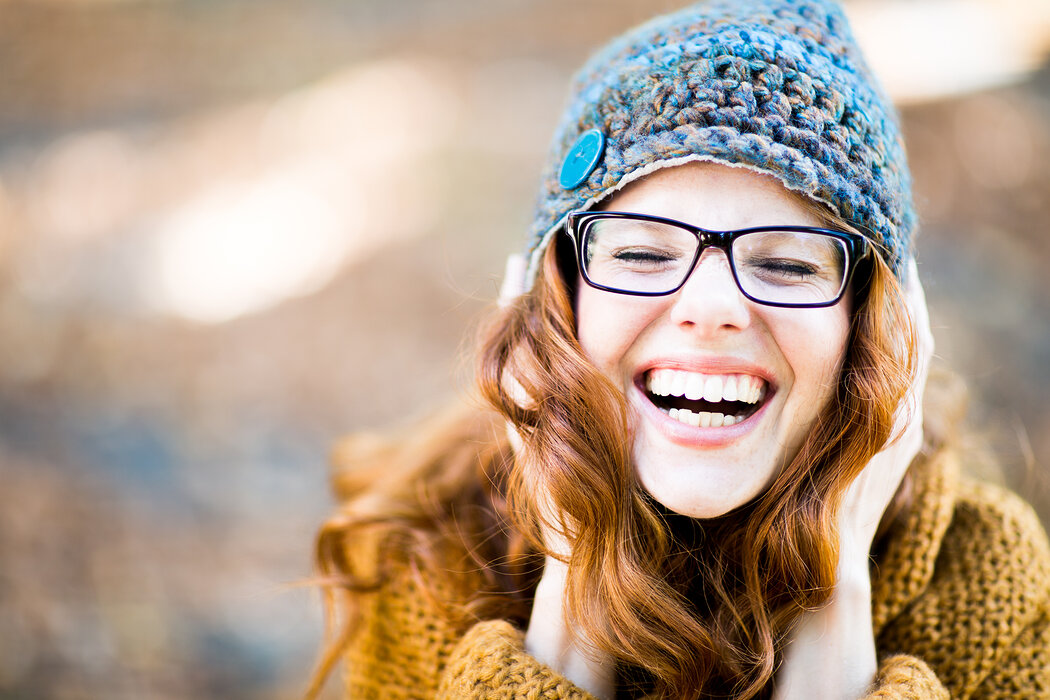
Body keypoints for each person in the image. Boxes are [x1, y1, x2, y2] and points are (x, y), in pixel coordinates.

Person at [308, 1, 1050, 697]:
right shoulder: (438, 549)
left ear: (876, 322)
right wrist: (571, 596)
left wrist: (837, 608)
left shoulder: (985, 582)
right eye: (640, 255)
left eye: (788, 264)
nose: (712, 308)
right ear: (557, 292)